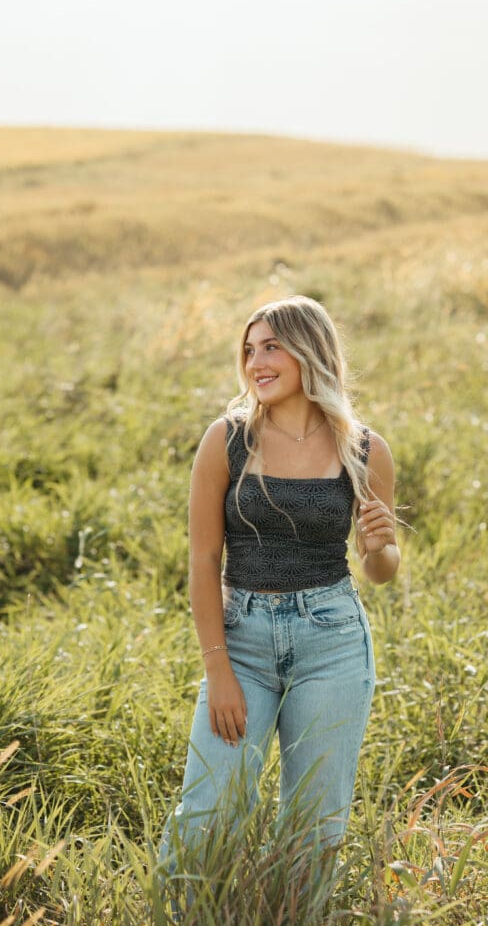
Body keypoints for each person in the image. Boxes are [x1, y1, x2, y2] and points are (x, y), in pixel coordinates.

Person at [159, 294, 400, 877]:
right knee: (207, 814)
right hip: (242, 640)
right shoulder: (227, 439)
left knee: (315, 826)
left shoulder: (364, 448)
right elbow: (202, 559)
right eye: (249, 349)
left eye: (271, 347)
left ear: (309, 353)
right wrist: (218, 670)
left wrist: (380, 546)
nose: (255, 362)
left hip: (334, 640)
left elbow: (381, 569)